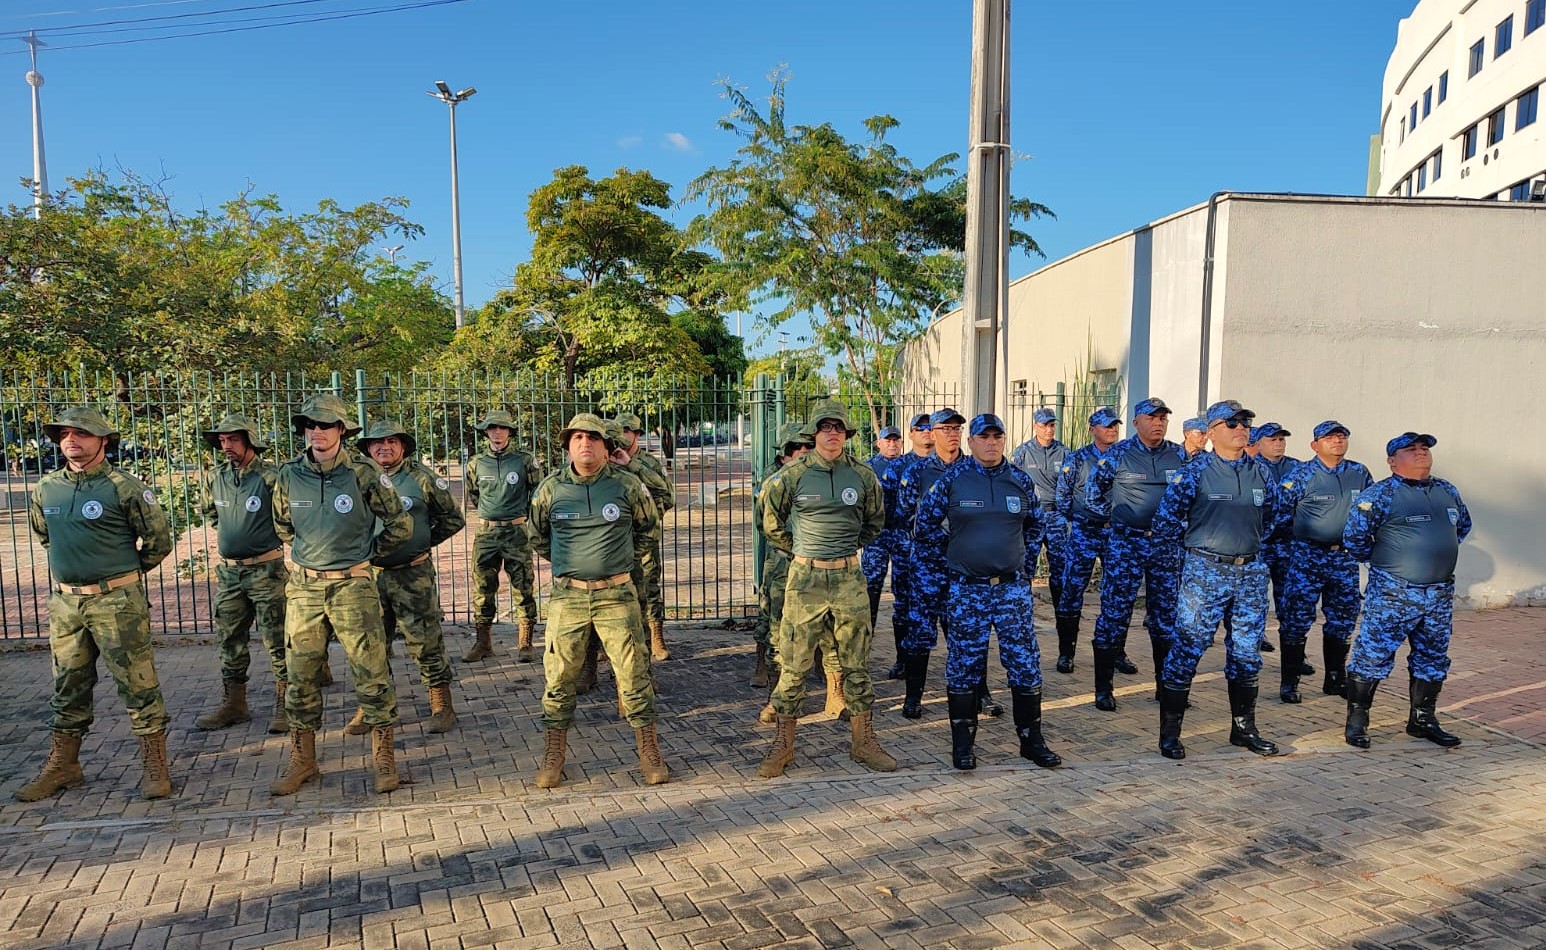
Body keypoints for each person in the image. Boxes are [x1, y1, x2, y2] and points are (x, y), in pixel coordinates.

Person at [17, 407, 174, 802]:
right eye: (65, 434)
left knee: (137, 684)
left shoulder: (125, 487)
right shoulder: (47, 488)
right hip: (67, 604)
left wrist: (120, 576)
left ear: (103, 440)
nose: (72, 440)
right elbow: (46, 537)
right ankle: (64, 765)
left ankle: (155, 766)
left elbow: (158, 541)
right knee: (68, 684)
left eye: (82, 433)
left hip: (117, 603)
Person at [269, 394, 412, 796]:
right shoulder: (289, 475)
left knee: (371, 671)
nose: (317, 432)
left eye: (325, 425)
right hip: (305, 589)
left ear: (342, 431)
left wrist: (366, 557)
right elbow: (283, 525)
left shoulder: (365, 472)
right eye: (310, 425)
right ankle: (303, 760)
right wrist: (310, 560)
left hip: (353, 587)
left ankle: (384, 758)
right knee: (300, 674)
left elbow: (398, 523)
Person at [913, 413, 1061, 771]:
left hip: (1011, 591)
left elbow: (1037, 524)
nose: (991, 442)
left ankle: (1031, 740)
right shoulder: (952, 481)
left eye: (997, 436)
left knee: (1024, 665)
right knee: (963, 666)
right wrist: (951, 559)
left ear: (1004, 440)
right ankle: (963, 746)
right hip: (967, 591)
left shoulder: (1020, 481)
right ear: (971, 442)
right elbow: (923, 527)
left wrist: (1024, 567)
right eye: (984, 437)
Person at [528, 413, 667, 788]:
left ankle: (649, 751)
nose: (585, 444)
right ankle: (554, 753)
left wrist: (617, 562)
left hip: (617, 596)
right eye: (577, 438)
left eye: (593, 438)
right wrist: (572, 566)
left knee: (634, 675)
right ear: (568, 446)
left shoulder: (627, 485)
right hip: (567, 598)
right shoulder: (550, 489)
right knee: (558, 677)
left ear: (607, 448)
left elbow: (649, 529)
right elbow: (538, 537)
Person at [758, 399, 895, 778]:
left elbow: (874, 522)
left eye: (838, 427)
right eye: (824, 427)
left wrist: (843, 549)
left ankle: (863, 741)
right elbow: (769, 521)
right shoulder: (793, 475)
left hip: (849, 577)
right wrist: (802, 550)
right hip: (805, 580)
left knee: (856, 661)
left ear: (847, 434)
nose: (831, 433)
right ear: (814, 433)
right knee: (794, 663)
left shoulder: (864, 476)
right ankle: (783, 745)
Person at [1150, 400, 1283, 760]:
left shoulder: (1262, 473)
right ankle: (1170, 734)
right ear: (1211, 433)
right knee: (1189, 647)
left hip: (1251, 573)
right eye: (1232, 424)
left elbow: (1272, 518)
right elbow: (1166, 521)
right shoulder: (1194, 472)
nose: (1241, 428)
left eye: (1245, 422)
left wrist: (1245, 546)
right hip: (1205, 571)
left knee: (1246, 650)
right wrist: (1200, 546)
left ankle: (1243, 729)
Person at [1342, 432, 1472, 750]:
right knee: (1372, 656)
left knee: (1433, 658)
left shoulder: (1446, 490)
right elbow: (1354, 539)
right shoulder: (1381, 494)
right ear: (1391, 461)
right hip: (1394, 593)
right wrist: (1391, 562)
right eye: (1410, 449)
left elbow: (1462, 527)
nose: (1420, 453)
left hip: (1439, 594)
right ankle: (1357, 721)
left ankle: (1423, 720)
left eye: (1424, 448)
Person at [350, 420, 466, 735]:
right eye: (376, 443)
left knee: (425, 641)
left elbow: (453, 519)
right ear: (368, 449)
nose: (383, 447)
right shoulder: (358, 480)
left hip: (413, 575)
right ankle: (371, 708)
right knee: (370, 645)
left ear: (403, 446)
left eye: (391, 441)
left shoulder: (423, 479)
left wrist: (420, 540)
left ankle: (441, 704)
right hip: (369, 576)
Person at [897, 408, 1002, 719]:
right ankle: (913, 696)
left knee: (970, 631)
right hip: (928, 566)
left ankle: (980, 693)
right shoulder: (916, 472)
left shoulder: (976, 470)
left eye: (957, 429)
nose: (952, 434)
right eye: (945, 429)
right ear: (932, 433)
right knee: (920, 631)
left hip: (966, 566)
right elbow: (905, 518)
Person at [1086, 398, 1187, 710]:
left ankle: (1164, 686)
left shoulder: (1178, 454)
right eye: (1151, 418)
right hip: (1125, 544)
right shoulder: (1118, 453)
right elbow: (1093, 493)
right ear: (1136, 423)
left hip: (1164, 546)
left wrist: (1178, 523)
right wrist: (1119, 518)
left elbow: (1191, 496)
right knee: (1115, 614)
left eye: (1163, 418)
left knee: (1165, 616)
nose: (1158, 423)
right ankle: (1104, 690)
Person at [195, 412, 290, 735]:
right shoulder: (215, 477)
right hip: (230, 575)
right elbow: (211, 514)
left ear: (249, 441)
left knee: (277, 639)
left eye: (233, 439)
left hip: (267, 570)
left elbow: (286, 518)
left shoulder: (270, 477)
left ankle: (286, 704)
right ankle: (234, 703)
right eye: (222, 441)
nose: (226, 446)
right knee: (229, 638)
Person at [750, 422, 844, 722]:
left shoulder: (831, 478)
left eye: (808, 448)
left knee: (830, 629)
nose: (804, 454)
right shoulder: (777, 482)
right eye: (798, 449)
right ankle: (781, 697)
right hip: (785, 564)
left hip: (823, 567)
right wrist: (796, 547)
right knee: (781, 630)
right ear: (786, 454)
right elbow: (763, 522)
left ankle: (835, 695)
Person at [1274, 420, 1372, 702]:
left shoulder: (1359, 473)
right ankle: (1289, 682)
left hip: (1343, 558)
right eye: (1329, 437)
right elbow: (1279, 516)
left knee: (1342, 619)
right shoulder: (1300, 475)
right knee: (1296, 619)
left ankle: (1334, 679)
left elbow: (1371, 511)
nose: (1337, 441)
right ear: (1314, 445)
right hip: (1307, 556)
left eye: (1342, 436)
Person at [464, 410, 544, 663]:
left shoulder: (524, 461)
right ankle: (483, 642)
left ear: (510, 432)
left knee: (522, 585)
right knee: (483, 586)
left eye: (502, 428)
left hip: (517, 532)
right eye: (491, 428)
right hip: (487, 532)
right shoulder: (476, 463)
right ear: (486, 432)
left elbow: (537, 493)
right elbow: (475, 495)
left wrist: (521, 519)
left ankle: (525, 642)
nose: (497, 432)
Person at [1052, 407, 1123, 674]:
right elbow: (1063, 497)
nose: (1112, 430)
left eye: (1115, 425)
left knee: (1117, 593)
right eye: (1106, 426)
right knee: (1072, 591)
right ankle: (1066, 652)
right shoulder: (1078, 459)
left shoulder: (1125, 457)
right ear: (1093, 429)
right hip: (1084, 531)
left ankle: (1116, 651)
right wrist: (1078, 519)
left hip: (1116, 533)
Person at [875, 412, 934, 679]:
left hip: (937, 548)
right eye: (919, 428)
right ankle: (902, 659)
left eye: (929, 428)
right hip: (902, 541)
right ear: (911, 434)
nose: (925, 432)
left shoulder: (948, 466)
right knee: (903, 602)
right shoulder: (898, 468)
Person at [614, 413, 673, 661]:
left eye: (628, 431)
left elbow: (667, 497)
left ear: (637, 434)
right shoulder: (609, 459)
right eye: (619, 431)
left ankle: (656, 635)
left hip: (645, 534)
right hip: (618, 535)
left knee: (650, 585)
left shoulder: (648, 462)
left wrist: (649, 514)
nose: (622, 435)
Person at [1249, 422, 1304, 665]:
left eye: (1282, 439)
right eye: (1273, 439)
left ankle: (1294, 655)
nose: (1279, 443)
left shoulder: (1298, 468)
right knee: (1255, 598)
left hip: (1289, 543)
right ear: (1259, 444)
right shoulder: (1250, 467)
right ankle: (1252, 647)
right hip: (1259, 543)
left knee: (1289, 600)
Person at [1010, 407, 1070, 613]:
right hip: (1031, 517)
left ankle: (1062, 613)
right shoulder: (1022, 453)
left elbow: (1070, 485)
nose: (1049, 430)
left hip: (1056, 517)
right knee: (1026, 566)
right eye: (1044, 425)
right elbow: (1013, 483)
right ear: (1036, 426)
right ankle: (1023, 610)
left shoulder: (1064, 452)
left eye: (1052, 425)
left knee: (1061, 567)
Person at [861, 424, 905, 631]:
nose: (892, 444)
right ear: (879, 443)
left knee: (903, 585)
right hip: (876, 534)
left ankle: (903, 645)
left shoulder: (908, 467)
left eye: (896, 440)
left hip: (902, 533)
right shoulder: (868, 468)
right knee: (871, 585)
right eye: (888, 440)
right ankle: (867, 633)